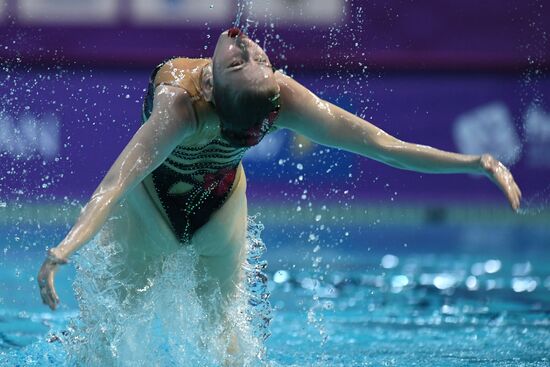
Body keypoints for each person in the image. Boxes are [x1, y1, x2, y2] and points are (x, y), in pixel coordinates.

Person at [37, 26, 521, 353]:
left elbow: (381, 145)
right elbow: (118, 183)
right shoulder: (218, 102)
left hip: (218, 208)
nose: (243, 45)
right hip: (152, 205)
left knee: (226, 343)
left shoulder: (224, 101)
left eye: (248, 59)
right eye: (249, 57)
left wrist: (475, 163)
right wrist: (64, 250)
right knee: (105, 342)